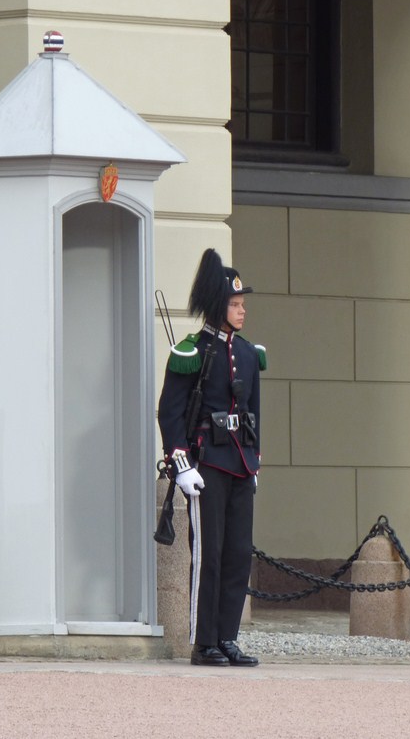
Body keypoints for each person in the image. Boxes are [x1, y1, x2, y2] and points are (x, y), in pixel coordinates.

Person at [158, 248, 266, 667]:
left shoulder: (247, 353)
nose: (241, 312)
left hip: (239, 464)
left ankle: (227, 636)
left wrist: (255, 462)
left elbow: (255, 414)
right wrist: (181, 465)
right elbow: (171, 413)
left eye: (242, 305)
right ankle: (204, 642)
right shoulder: (192, 351)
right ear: (218, 307)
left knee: (239, 553)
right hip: (207, 465)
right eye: (235, 305)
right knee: (210, 555)